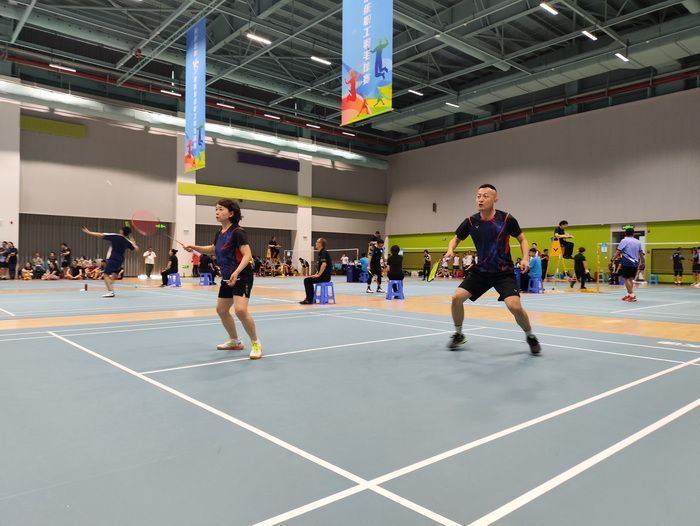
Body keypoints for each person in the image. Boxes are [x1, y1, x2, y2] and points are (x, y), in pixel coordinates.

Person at [446, 183, 540, 354]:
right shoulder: (471, 221)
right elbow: (455, 239)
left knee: (515, 306)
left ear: (495, 199)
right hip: (481, 272)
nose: (480, 199)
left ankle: (530, 335)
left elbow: (522, 239)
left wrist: (526, 258)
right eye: (478, 196)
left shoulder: (506, 219)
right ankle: (459, 334)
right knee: (456, 298)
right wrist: (451, 249)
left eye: (485, 196)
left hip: (503, 272)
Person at [184, 199, 261, 360]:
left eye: (220, 209)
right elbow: (214, 248)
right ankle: (235, 341)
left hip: (242, 275)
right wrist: (194, 247)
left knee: (240, 310)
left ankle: (255, 343)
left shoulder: (238, 232)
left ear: (231, 213)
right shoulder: (220, 232)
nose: (217, 212)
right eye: (216, 209)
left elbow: (247, 255)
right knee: (222, 310)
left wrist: (236, 272)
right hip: (227, 276)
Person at [82, 225, 137, 297]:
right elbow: (136, 249)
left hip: (113, 258)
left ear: (121, 231)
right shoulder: (127, 241)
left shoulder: (115, 236)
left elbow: (101, 235)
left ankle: (111, 292)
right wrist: (134, 244)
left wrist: (89, 232)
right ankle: (110, 286)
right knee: (114, 275)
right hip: (120, 260)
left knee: (105, 275)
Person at [613, 227, 644, 302]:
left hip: (627, 262)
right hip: (635, 263)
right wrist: (643, 262)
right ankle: (628, 294)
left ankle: (632, 295)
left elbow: (618, 251)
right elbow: (641, 253)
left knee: (626, 279)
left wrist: (612, 259)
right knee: (630, 279)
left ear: (625, 233)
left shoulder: (624, 240)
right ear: (633, 233)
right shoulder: (638, 242)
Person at [300, 238, 333, 304]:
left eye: (317, 242)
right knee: (308, 279)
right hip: (323, 276)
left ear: (320, 244)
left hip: (325, 277)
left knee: (307, 280)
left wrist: (318, 275)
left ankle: (309, 299)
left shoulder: (324, 252)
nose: (315, 243)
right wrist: (316, 274)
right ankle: (311, 299)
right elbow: (320, 266)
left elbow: (324, 265)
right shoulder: (321, 253)